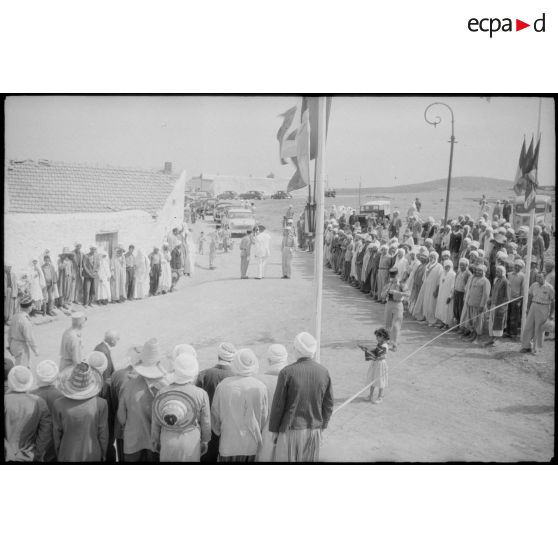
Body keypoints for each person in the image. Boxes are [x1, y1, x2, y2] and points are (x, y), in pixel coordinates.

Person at [268, 332, 334, 462]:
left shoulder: (286, 372)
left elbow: (278, 406)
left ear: (297, 350)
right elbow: (329, 404)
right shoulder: (324, 372)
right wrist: (323, 426)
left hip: (290, 430)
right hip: (313, 430)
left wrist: (274, 430)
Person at [151, 353, 211, 462]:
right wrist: (205, 440)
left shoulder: (162, 392)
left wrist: (155, 440)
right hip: (191, 442)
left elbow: (156, 422)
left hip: (167, 440)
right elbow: (206, 422)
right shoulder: (201, 394)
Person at [211, 348, 267, 462]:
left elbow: (214, 416)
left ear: (235, 363)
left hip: (228, 444)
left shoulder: (223, 386)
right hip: (252, 445)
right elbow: (264, 417)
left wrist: (220, 431)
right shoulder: (260, 387)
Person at [117, 338, 168, 462]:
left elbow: (121, 417)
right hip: (155, 442)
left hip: (133, 440)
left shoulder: (128, 385)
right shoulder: (164, 387)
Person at [53, 362, 108, 462]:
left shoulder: (58, 404)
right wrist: (103, 453)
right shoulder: (101, 404)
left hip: (66, 454)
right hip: (93, 454)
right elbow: (103, 435)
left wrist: (58, 452)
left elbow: (56, 434)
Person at [196, 342, 236, 463]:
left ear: (218, 355)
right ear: (232, 358)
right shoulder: (236, 376)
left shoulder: (204, 374)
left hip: (208, 429)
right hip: (229, 429)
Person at [4, 365, 52, 462]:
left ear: (10, 381)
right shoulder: (39, 402)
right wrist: (38, 455)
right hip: (29, 455)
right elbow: (44, 435)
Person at [256, 344, 289, 462]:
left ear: (269, 360)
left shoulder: (258, 380)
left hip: (265, 432)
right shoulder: (293, 379)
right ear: (286, 358)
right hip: (288, 432)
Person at [30, 360, 62, 462]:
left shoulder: (31, 395)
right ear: (55, 376)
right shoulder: (62, 397)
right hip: (56, 446)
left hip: (35, 446)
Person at [520, 271, 555, 355]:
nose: (538, 279)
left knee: (539, 329)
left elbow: (553, 301)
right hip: (533, 305)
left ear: (544, 277)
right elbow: (530, 296)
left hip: (543, 307)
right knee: (528, 326)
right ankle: (526, 346)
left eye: (540, 277)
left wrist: (551, 314)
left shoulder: (549, 287)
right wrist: (528, 308)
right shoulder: (533, 285)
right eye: (537, 277)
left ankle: (536, 348)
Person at [381, 267, 410, 351]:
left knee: (396, 325)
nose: (392, 277)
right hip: (389, 303)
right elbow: (382, 295)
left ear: (397, 275)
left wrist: (397, 292)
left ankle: (394, 344)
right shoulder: (388, 283)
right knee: (387, 324)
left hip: (398, 304)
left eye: (394, 275)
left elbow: (408, 294)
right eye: (391, 276)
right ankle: (387, 342)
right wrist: (386, 292)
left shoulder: (401, 283)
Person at [462, 264, 491, 344]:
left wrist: (482, 306)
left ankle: (477, 338)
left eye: (480, 270)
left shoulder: (485, 281)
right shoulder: (473, 278)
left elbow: (485, 295)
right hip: (471, 303)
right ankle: (472, 335)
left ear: (484, 272)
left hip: (479, 306)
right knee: (472, 321)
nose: (477, 272)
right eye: (477, 270)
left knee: (478, 322)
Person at [7, 295, 39, 366]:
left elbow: (9, 334)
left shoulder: (15, 316)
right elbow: (29, 338)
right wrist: (36, 350)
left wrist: (10, 345)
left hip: (14, 344)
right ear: (29, 307)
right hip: (21, 347)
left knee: (26, 365)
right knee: (21, 369)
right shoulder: (25, 321)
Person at [361, 327, 390, 403]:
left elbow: (380, 356)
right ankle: (370, 395)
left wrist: (369, 353)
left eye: (378, 336)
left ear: (383, 337)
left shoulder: (385, 346)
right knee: (372, 379)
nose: (376, 338)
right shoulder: (379, 344)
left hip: (380, 365)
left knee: (380, 380)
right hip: (375, 363)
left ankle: (380, 397)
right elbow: (375, 352)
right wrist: (367, 350)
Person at [485, 266, 511, 347]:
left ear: (503, 272)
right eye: (496, 272)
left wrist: (502, 307)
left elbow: (507, 297)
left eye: (498, 272)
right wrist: (490, 301)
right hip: (494, 305)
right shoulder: (496, 280)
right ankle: (492, 339)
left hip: (500, 307)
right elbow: (493, 293)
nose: (496, 273)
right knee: (492, 323)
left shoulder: (506, 282)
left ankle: (497, 340)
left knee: (498, 323)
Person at [434, 260, 456, 329]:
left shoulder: (453, 274)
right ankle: (442, 323)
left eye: (448, 266)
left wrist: (450, 296)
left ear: (451, 266)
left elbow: (453, 287)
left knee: (447, 310)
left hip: (448, 296)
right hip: (441, 295)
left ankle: (447, 324)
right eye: (445, 266)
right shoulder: (443, 273)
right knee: (441, 309)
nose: (446, 268)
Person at [453, 258, 472, 332]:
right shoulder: (458, 272)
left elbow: (467, 286)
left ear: (467, 265)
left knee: (461, 310)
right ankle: (457, 325)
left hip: (462, 294)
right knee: (456, 310)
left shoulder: (468, 274)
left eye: (463, 265)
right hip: (457, 292)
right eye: (460, 265)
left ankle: (461, 327)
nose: (461, 266)